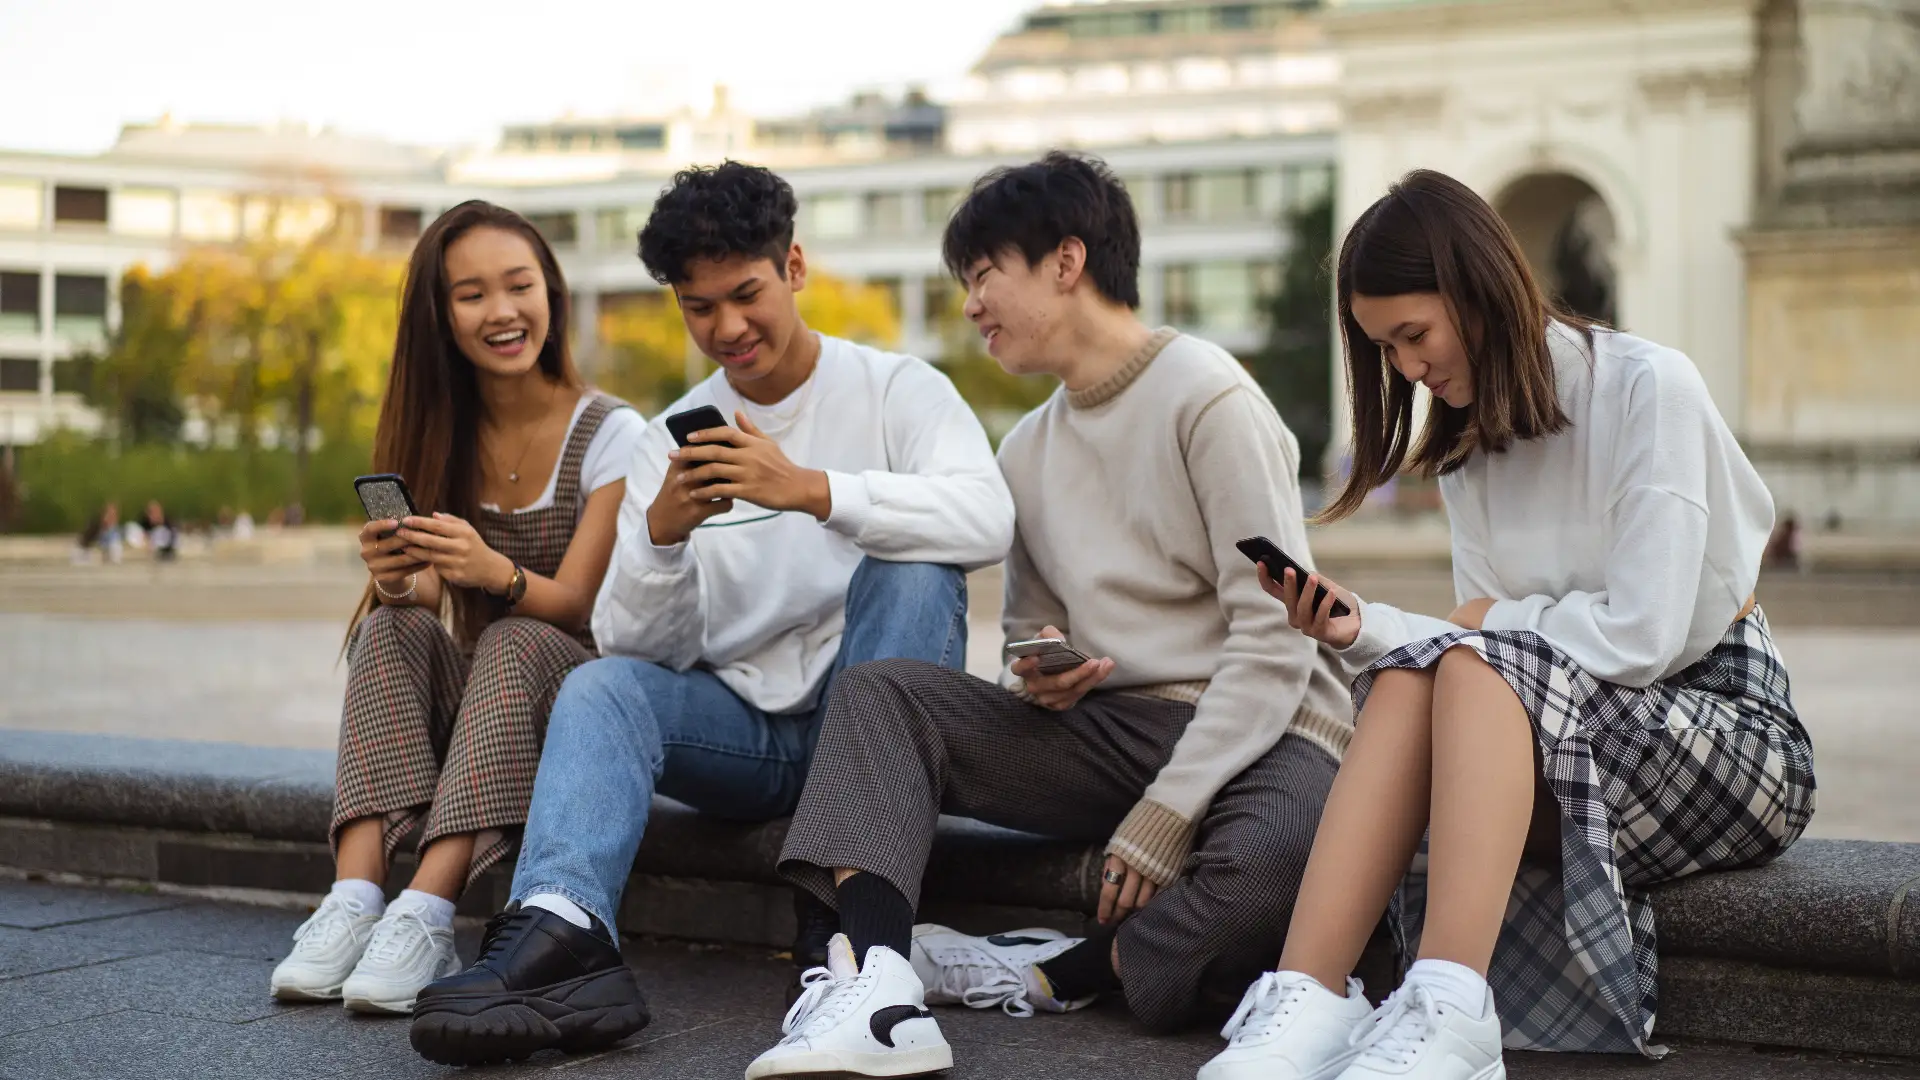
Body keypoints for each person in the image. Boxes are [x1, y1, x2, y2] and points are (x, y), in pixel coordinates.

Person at [746, 151, 1355, 1080]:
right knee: (882, 698)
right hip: (1110, 728)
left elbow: (1275, 630)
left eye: (984, 274)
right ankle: (876, 982)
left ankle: (1048, 974)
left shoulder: (1209, 395)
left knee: (1277, 867)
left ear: (1066, 263)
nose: (971, 304)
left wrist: (1168, 812)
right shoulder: (1026, 447)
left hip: (1266, 726)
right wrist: (1041, 667)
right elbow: (1028, 629)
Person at [1198, 169, 1816, 1080]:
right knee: (1418, 674)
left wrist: (1487, 627)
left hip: (1724, 732)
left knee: (1474, 661)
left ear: (1478, 285)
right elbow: (1480, 647)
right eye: (1385, 349)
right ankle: (1309, 999)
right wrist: (1361, 629)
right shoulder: (1467, 450)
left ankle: (1452, 1011)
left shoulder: (1650, 388)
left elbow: (1643, 638)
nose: (1406, 369)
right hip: (1569, 744)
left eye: (1414, 335)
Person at [406, 161, 1015, 1067]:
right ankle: (563, 934)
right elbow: (638, 645)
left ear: (795, 268)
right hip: (754, 739)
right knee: (604, 688)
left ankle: (841, 943)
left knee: (916, 571)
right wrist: (658, 540)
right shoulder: (671, 438)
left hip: (879, 732)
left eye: (746, 295)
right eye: (699, 308)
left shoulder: (898, 390)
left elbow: (987, 517)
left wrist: (810, 490)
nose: (727, 329)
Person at [267, 201, 643, 1016]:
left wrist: (494, 569)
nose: (503, 312)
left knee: (516, 635)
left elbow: (578, 603)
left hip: (572, 701)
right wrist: (401, 576)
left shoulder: (613, 432)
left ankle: (427, 913)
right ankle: (355, 899)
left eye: (520, 286)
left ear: (553, 292)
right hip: (479, 698)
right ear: (440, 316)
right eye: (472, 295)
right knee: (389, 622)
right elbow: (434, 593)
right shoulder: (435, 423)